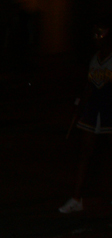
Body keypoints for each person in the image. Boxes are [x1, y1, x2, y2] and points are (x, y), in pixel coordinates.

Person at [59, 17, 112, 213]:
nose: (96, 38)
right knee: (84, 153)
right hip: (93, 111)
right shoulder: (94, 59)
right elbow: (89, 86)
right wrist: (78, 104)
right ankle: (76, 199)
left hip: (109, 112)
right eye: (95, 34)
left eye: (100, 33)